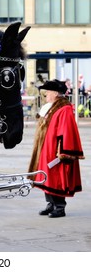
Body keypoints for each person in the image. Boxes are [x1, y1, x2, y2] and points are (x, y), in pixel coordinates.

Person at [28, 79, 84, 218]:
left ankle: (59, 207)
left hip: (55, 151)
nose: (46, 94)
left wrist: (63, 152)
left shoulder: (64, 109)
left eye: (48, 91)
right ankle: (51, 204)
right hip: (45, 150)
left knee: (56, 179)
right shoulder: (51, 107)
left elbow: (66, 131)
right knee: (46, 177)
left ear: (56, 93)